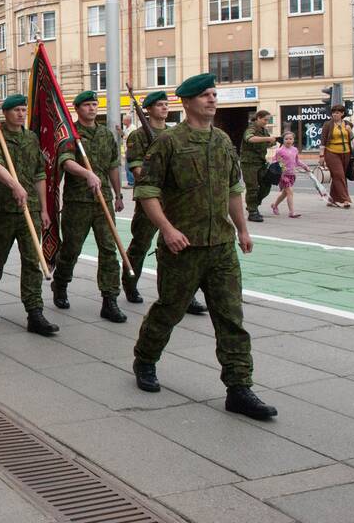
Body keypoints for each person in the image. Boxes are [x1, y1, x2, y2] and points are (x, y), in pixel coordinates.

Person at [131, 73, 276, 420]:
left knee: (231, 318)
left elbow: (233, 189)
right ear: (189, 101)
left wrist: (242, 230)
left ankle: (239, 388)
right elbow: (147, 192)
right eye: (205, 95)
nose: (213, 99)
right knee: (169, 310)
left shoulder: (223, 141)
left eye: (214, 94)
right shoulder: (168, 143)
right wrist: (166, 230)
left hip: (221, 247)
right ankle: (145, 360)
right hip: (183, 248)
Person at [0, 94, 59, 336]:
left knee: (32, 261)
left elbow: (39, 174)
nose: (21, 114)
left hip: (29, 210)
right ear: (7, 113)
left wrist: (43, 208)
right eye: (16, 110)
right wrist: (14, 185)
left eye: (24, 109)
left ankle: (35, 312)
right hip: (2, 209)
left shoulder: (31, 138)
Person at [122, 92, 207, 315]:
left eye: (166, 104)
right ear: (148, 109)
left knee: (180, 248)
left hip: (174, 201)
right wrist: (156, 181)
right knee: (141, 245)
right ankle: (130, 283)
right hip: (151, 199)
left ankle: (184, 296)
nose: (164, 108)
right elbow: (136, 167)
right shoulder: (138, 136)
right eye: (159, 105)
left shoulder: (174, 133)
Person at [50, 91, 127, 323]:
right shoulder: (70, 135)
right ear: (77, 109)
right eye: (87, 105)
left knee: (108, 249)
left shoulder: (106, 135)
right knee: (72, 249)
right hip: (78, 202)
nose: (92, 108)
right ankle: (61, 283)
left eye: (95, 104)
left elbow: (114, 165)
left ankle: (109, 299)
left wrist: (118, 193)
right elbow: (66, 162)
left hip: (103, 201)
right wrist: (87, 174)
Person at [240, 110, 276, 222]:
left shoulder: (264, 130)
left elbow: (266, 144)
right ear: (258, 118)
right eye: (265, 119)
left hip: (261, 162)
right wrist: (267, 139)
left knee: (266, 184)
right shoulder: (251, 129)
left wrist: (274, 141)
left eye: (268, 120)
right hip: (249, 163)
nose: (266, 122)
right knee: (253, 188)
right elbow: (250, 139)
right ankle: (252, 212)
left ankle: (254, 205)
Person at [320, 104, 353, 208]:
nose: (335, 114)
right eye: (333, 112)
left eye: (337, 112)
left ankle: (332, 200)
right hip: (331, 152)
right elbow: (323, 141)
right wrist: (321, 156)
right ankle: (345, 200)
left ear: (342, 114)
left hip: (346, 153)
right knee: (339, 175)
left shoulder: (347, 124)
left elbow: (352, 137)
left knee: (339, 176)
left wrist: (349, 130)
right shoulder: (328, 124)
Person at [271, 132, 309, 218]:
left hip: (292, 175)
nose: (288, 140)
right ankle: (291, 212)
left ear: (293, 140)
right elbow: (279, 163)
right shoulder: (280, 151)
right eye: (286, 139)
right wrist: (282, 174)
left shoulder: (295, 149)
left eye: (290, 139)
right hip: (283, 175)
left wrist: (305, 167)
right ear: (283, 140)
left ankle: (275, 205)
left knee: (285, 193)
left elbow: (297, 161)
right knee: (290, 192)